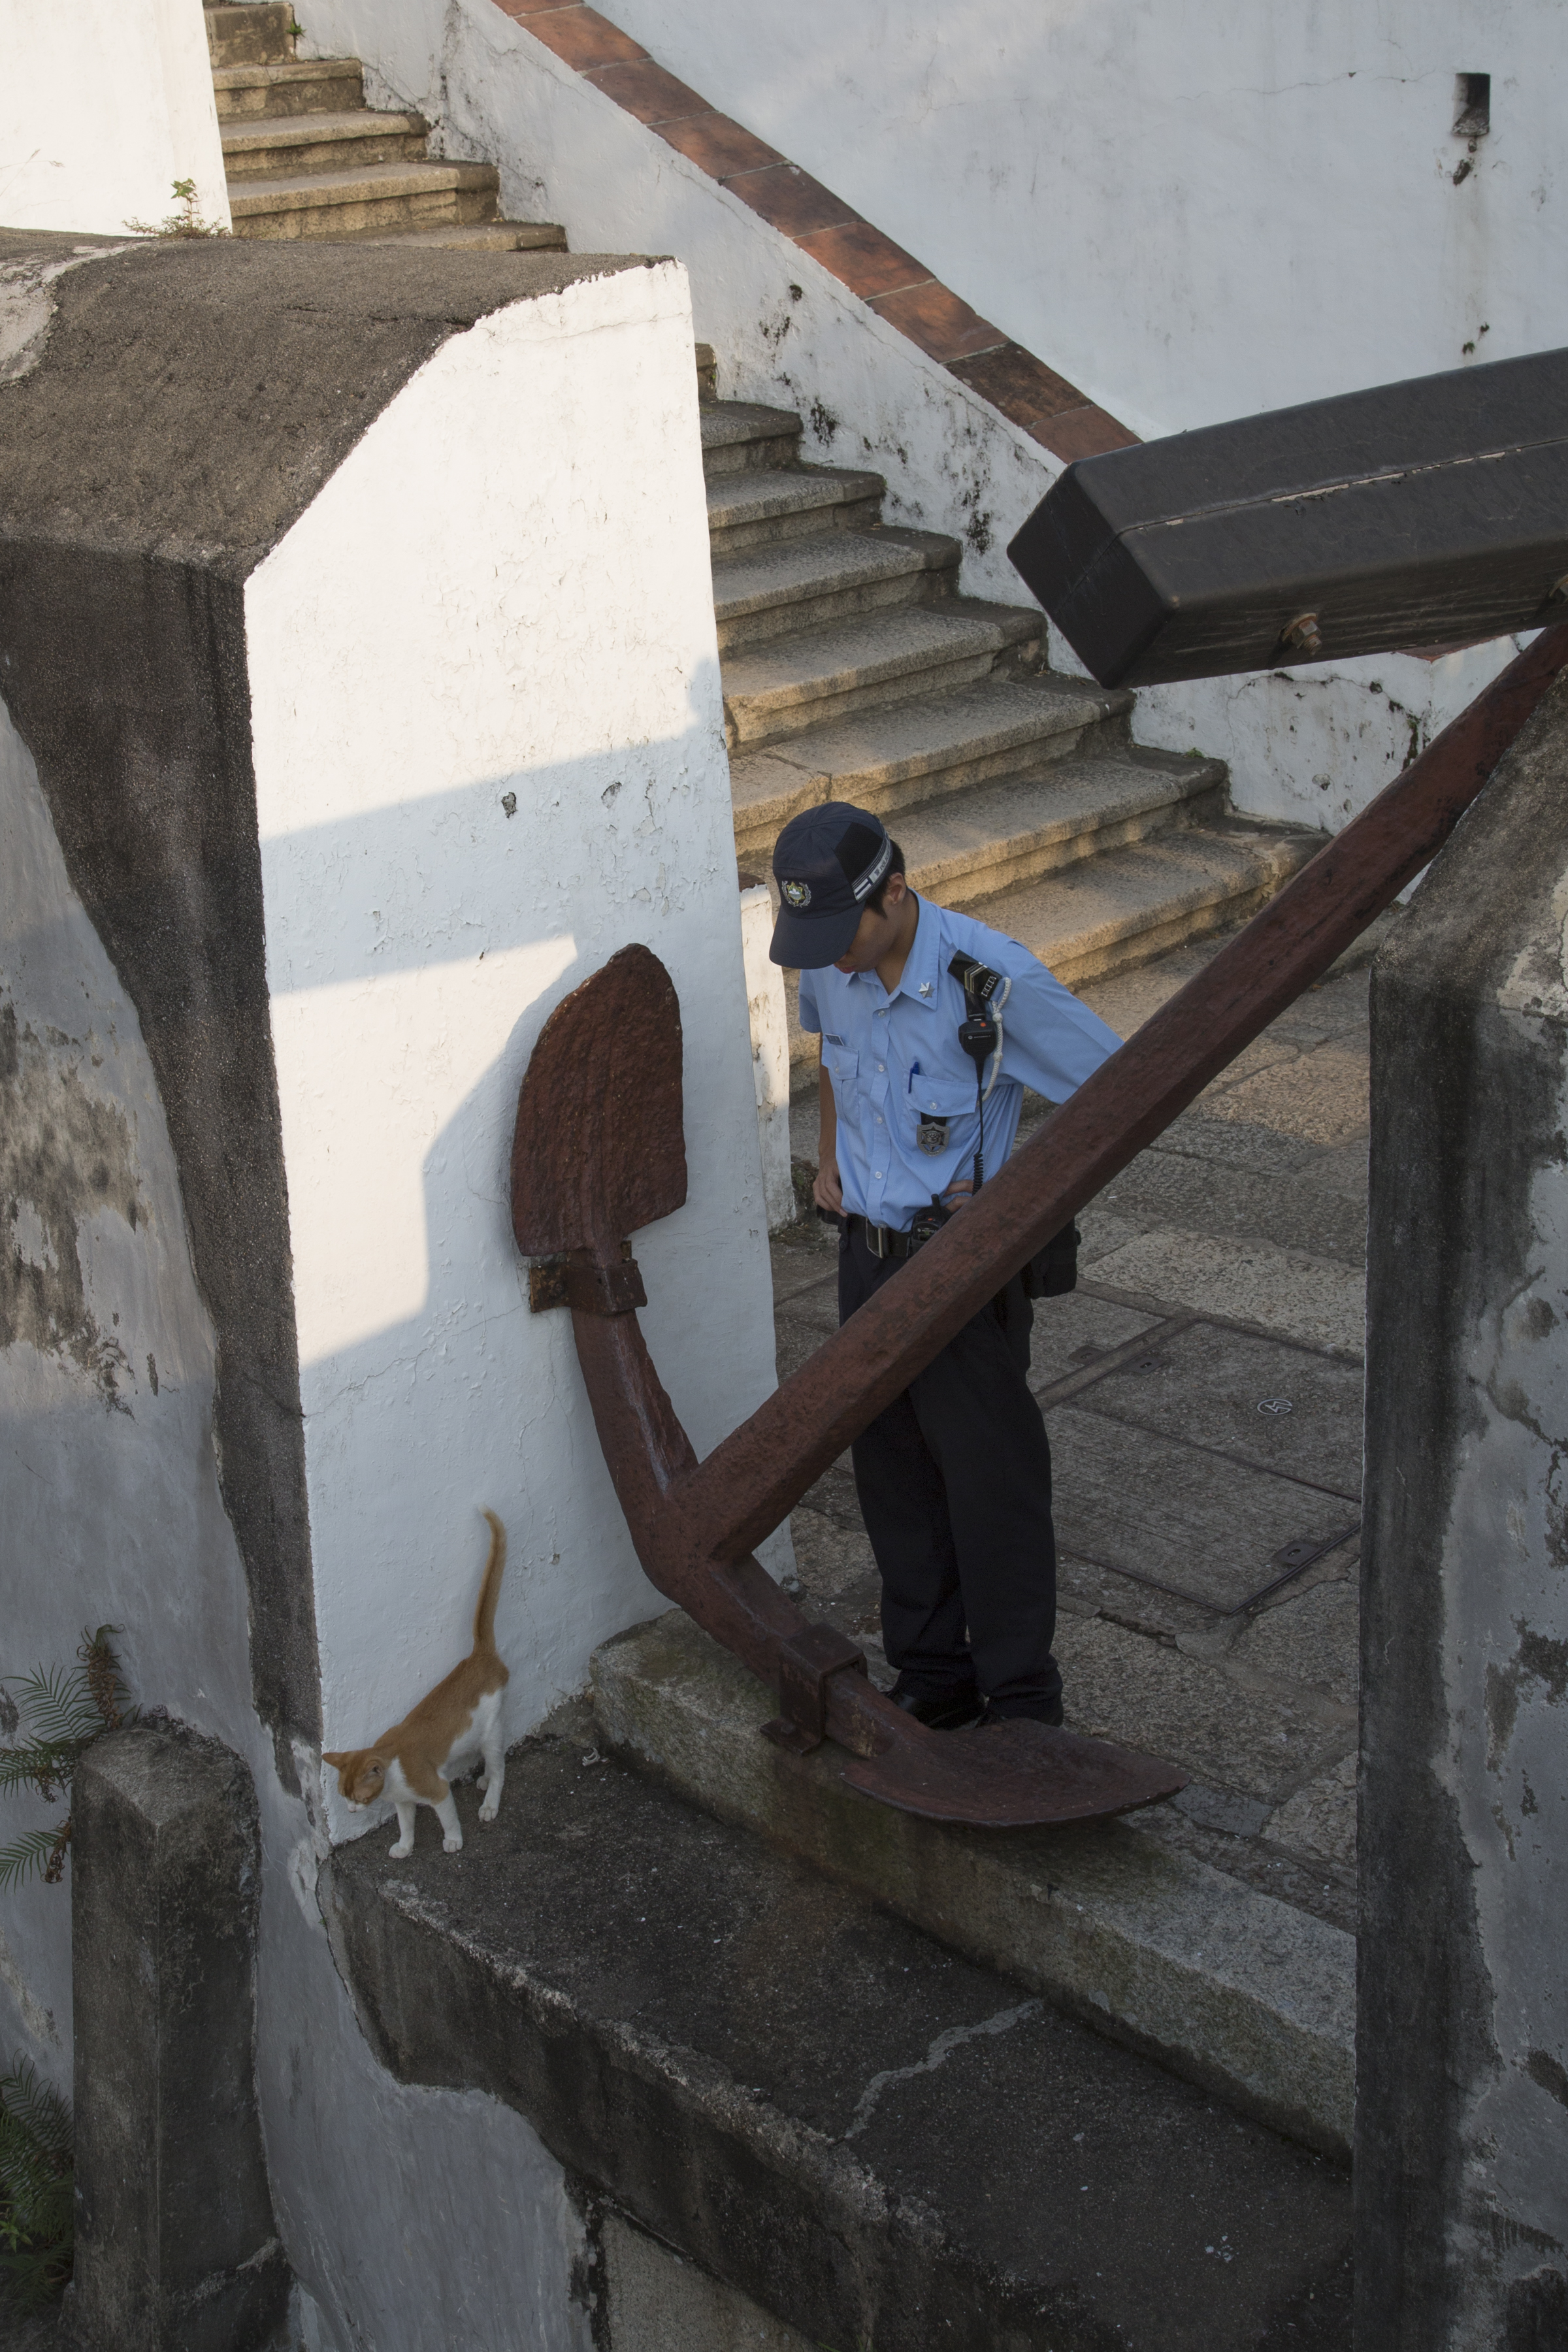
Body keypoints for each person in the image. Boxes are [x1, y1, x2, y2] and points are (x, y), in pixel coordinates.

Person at [769, 801, 1120, 1729]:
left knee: (987, 1480)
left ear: (896, 892)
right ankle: (931, 1673)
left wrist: (1022, 1204)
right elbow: (836, 1062)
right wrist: (830, 1157)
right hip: (867, 1254)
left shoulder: (990, 980)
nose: (831, 954)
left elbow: (1120, 1093)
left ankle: (1018, 1695)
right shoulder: (829, 965)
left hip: (961, 1268)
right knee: (893, 1471)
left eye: (843, 931)